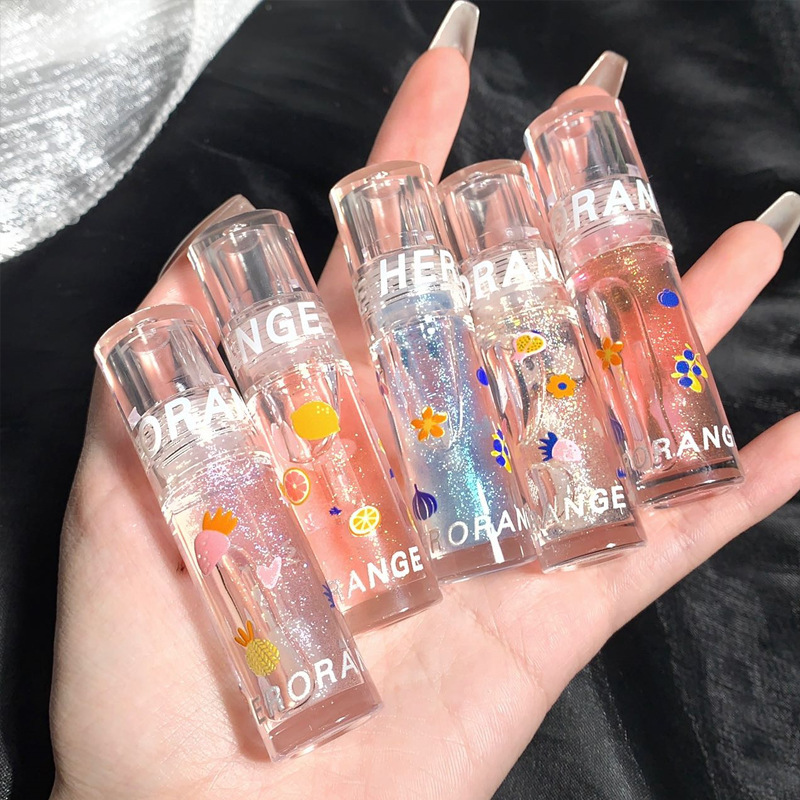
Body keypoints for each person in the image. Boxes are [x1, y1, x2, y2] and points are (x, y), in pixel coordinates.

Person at [48, 3, 800, 798]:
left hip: (539, 464)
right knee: (328, 487)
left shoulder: (532, 275)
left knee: (555, 393)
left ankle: (613, 478)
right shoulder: (243, 419)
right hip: (328, 603)